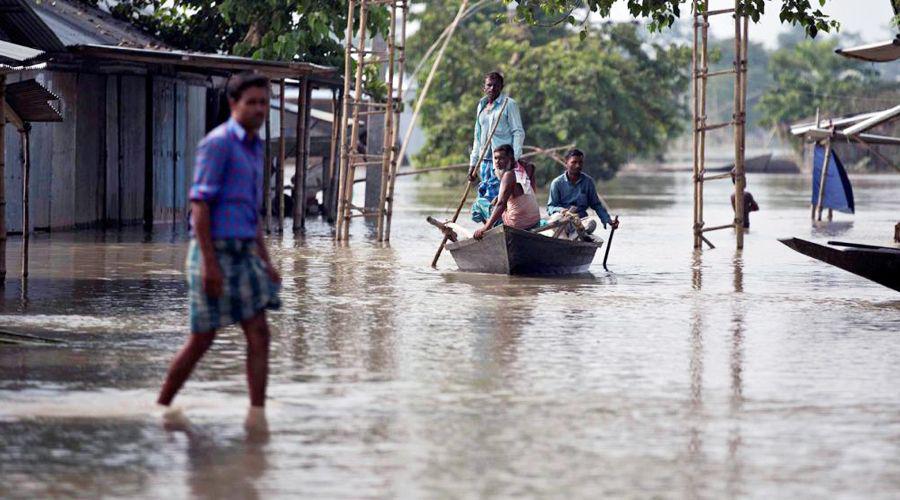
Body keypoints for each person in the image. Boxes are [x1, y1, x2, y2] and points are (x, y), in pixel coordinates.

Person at [157, 72, 282, 428]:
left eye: (263, 102)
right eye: (252, 102)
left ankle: (257, 415)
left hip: (244, 252)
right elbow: (200, 206)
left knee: (259, 332)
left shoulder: (256, 147)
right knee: (202, 339)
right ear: (234, 104)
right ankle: (161, 406)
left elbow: (251, 212)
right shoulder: (219, 144)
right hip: (213, 251)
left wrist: (267, 261)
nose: (259, 109)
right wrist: (209, 265)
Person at [468, 71, 526, 224]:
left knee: (499, 199)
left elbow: (518, 132)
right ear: (484, 87)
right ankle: (490, 230)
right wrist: (473, 163)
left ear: (501, 87)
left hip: (501, 162)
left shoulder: (509, 104)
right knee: (485, 200)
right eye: (489, 85)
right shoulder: (481, 105)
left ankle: (501, 229)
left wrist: (514, 159)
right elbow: (477, 137)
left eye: (496, 85)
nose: (492, 88)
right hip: (484, 161)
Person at [473, 144, 540, 240]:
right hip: (535, 221)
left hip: (517, 225)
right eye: (495, 158)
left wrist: (485, 228)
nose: (497, 162)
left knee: (478, 204)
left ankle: (489, 233)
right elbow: (531, 168)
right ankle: (491, 229)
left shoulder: (508, 175)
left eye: (501, 158)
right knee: (498, 203)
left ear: (511, 159)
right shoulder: (525, 169)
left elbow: (501, 204)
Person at [547, 149, 619, 237]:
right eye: (574, 162)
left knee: (592, 223)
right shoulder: (557, 183)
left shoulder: (588, 182)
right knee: (555, 218)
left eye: (580, 162)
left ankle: (576, 236)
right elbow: (551, 207)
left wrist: (608, 220)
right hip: (563, 220)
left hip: (580, 221)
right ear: (566, 163)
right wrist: (561, 210)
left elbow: (596, 205)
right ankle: (568, 236)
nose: (577, 165)